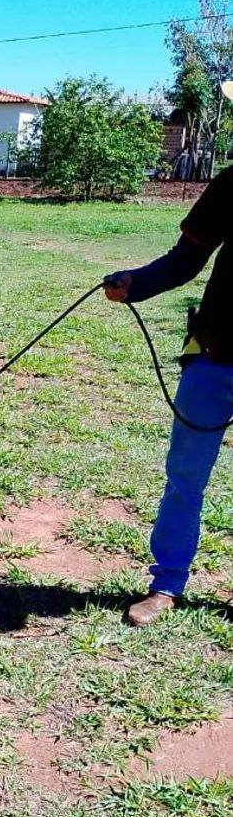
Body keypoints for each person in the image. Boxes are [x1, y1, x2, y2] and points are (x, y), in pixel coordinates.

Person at [103, 164, 232, 625]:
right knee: (184, 478)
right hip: (215, 358)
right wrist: (137, 283)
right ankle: (166, 584)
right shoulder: (232, 184)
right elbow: (186, 259)